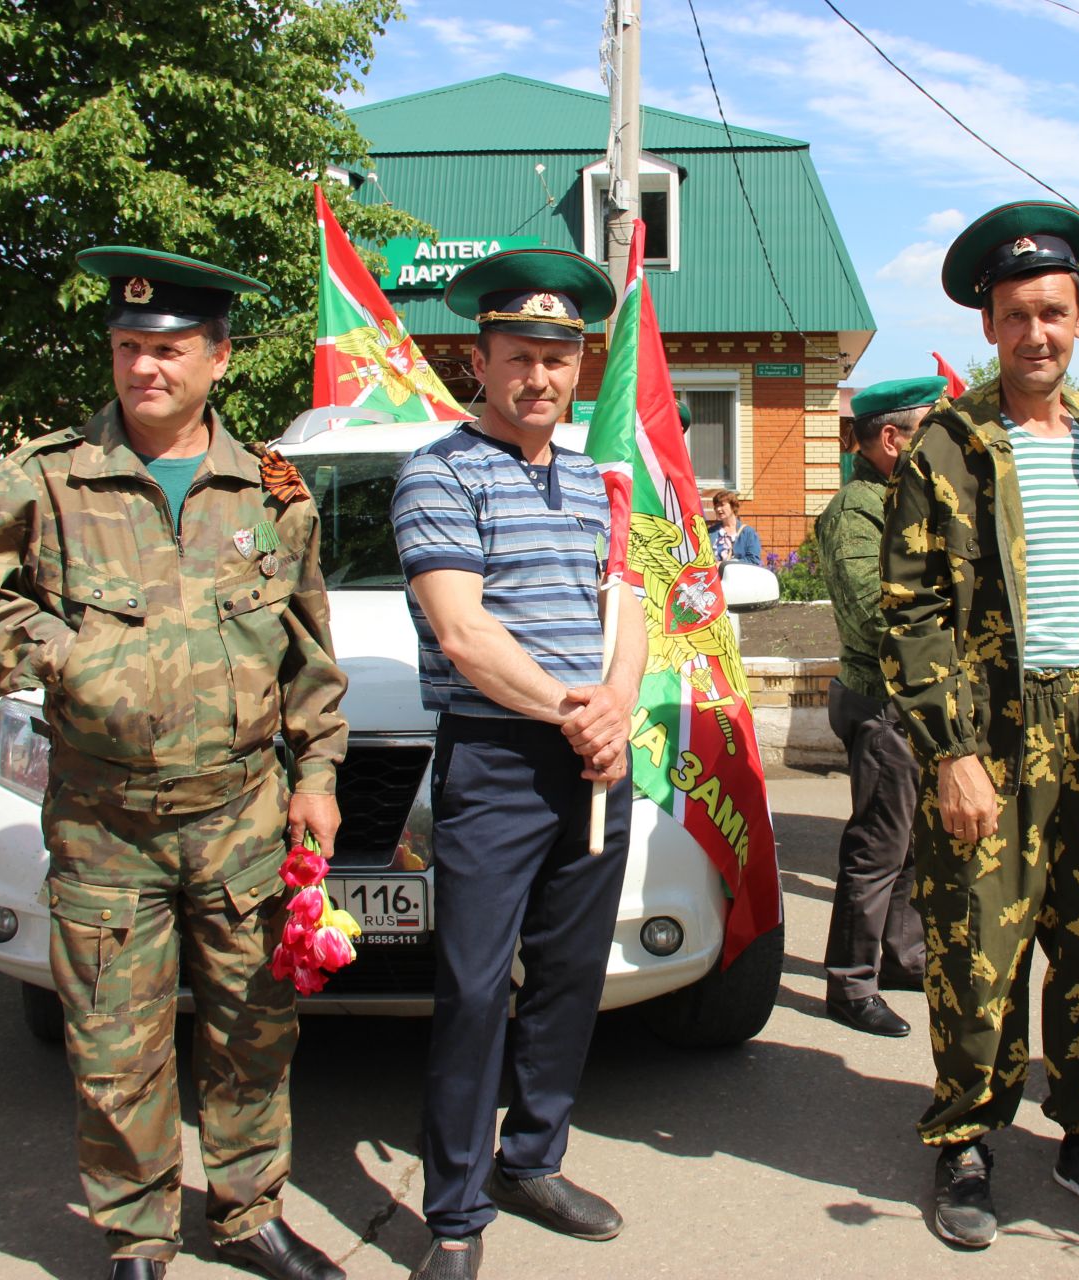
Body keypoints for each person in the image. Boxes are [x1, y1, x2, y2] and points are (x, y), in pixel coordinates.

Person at [0, 248, 349, 1280]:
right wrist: (61, 651)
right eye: (127, 347)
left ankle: (250, 1213)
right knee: (116, 1048)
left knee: (253, 1030)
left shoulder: (272, 491)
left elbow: (309, 654)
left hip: (241, 813)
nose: (144, 367)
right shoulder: (48, 476)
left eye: (168, 349)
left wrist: (318, 776)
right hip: (104, 820)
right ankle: (137, 1236)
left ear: (218, 358)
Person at [881, 200, 1079, 1251]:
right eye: (1016, 314)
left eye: (1054, 311)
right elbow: (911, 608)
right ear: (989, 326)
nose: (1037, 332)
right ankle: (968, 1138)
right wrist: (950, 750)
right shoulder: (946, 442)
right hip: (990, 729)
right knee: (976, 947)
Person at [391, 246, 646, 1280]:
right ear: (479, 359)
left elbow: (630, 607)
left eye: (558, 356)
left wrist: (617, 701)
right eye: (519, 355)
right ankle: (453, 1215)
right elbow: (463, 632)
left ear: (580, 365)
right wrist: (571, 711)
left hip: (592, 760)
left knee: (570, 979)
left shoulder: (600, 479)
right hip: (498, 761)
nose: (539, 376)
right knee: (474, 987)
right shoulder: (439, 470)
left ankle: (531, 1157)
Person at [814, 375, 937, 1038]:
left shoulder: (905, 497)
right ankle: (850, 983)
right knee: (878, 844)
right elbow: (868, 615)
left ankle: (899, 958)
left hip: (914, 695)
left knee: (912, 839)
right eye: (929, 431)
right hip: (882, 698)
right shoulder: (857, 509)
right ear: (891, 438)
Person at [709, 489, 762, 564]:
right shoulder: (711, 532)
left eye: (722, 505)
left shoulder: (748, 533)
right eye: (716, 506)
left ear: (733, 506)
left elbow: (753, 560)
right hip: (715, 575)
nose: (718, 509)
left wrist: (725, 564)